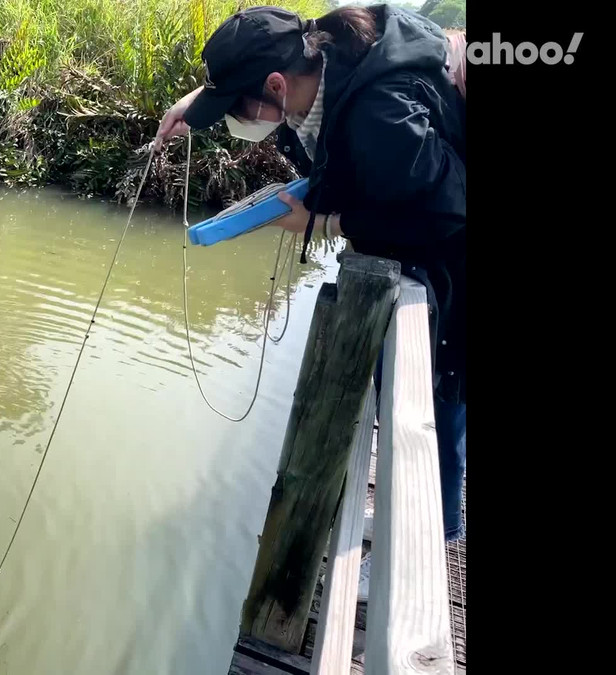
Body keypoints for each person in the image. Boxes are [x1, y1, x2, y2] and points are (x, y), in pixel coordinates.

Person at [155, 3, 466, 587]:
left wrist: (329, 222)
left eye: (236, 108)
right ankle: (424, 520)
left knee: (432, 405)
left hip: (450, 266)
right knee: (413, 394)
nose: (237, 122)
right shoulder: (325, 54)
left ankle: (433, 541)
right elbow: (356, 164)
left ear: (276, 86)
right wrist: (193, 106)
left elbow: (443, 215)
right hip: (421, 243)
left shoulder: (379, 114)